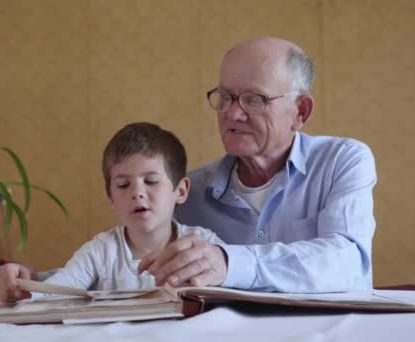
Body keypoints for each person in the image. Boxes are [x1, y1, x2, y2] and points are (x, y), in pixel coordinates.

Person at [137, 36, 377, 293]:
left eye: (254, 99)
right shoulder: (187, 194)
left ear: (301, 112)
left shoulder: (342, 161)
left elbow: (347, 261)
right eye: (226, 97)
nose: (232, 113)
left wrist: (229, 263)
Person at [0, 122, 224, 302]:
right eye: (123, 185)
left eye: (151, 181)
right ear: (110, 198)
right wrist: (17, 288)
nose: (137, 192)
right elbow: (53, 293)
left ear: (181, 190)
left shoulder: (203, 245)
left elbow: (235, 296)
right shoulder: (99, 252)